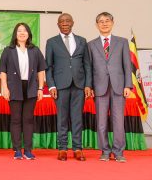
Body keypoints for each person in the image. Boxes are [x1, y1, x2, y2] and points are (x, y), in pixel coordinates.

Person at [45, 13, 92, 161]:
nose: (65, 23)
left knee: (77, 118)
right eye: (62, 21)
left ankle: (78, 148)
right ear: (58, 24)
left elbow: (87, 66)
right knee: (62, 118)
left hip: (79, 85)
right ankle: (63, 148)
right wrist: (51, 86)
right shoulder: (52, 42)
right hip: (60, 86)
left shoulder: (82, 41)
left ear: (73, 23)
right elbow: (48, 66)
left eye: (67, 21)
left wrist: (88, 85)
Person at [88, 12, 132, 163]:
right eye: (101, 21)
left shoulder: (122, 42)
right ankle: (105, 151)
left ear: (113, 23)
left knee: (118, 121)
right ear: (96, 25)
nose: (104, 23)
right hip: (99, 88)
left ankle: (119, 152)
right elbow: (90, 68)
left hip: (119, 87)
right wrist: (90, 86)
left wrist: (128, 85)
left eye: (107, 21)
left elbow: (127, 66)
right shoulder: (91, 44)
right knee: (101, 122)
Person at [0, 22, 46, 160]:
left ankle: (28, 150)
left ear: (29, 34)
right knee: (16, 119)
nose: (22, 33)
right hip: (14, 88)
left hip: (31, 87)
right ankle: (17, 150)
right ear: (15, 33)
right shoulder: (9, 50)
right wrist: (4, 88)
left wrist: (40, 88)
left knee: (28, 119)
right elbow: (3, 71)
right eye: (19, 31)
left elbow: (41, 70)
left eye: (25, 30)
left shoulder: (35, 50)